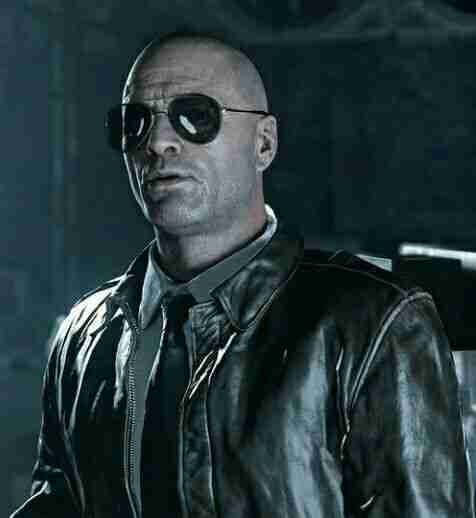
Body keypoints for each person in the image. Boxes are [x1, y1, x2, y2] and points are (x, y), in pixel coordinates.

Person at [12, 33, 474, 518]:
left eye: (195, 115)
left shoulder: (372, 322)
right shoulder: (83, 336)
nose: (157, 142)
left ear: (264, 143)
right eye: (135, 122)